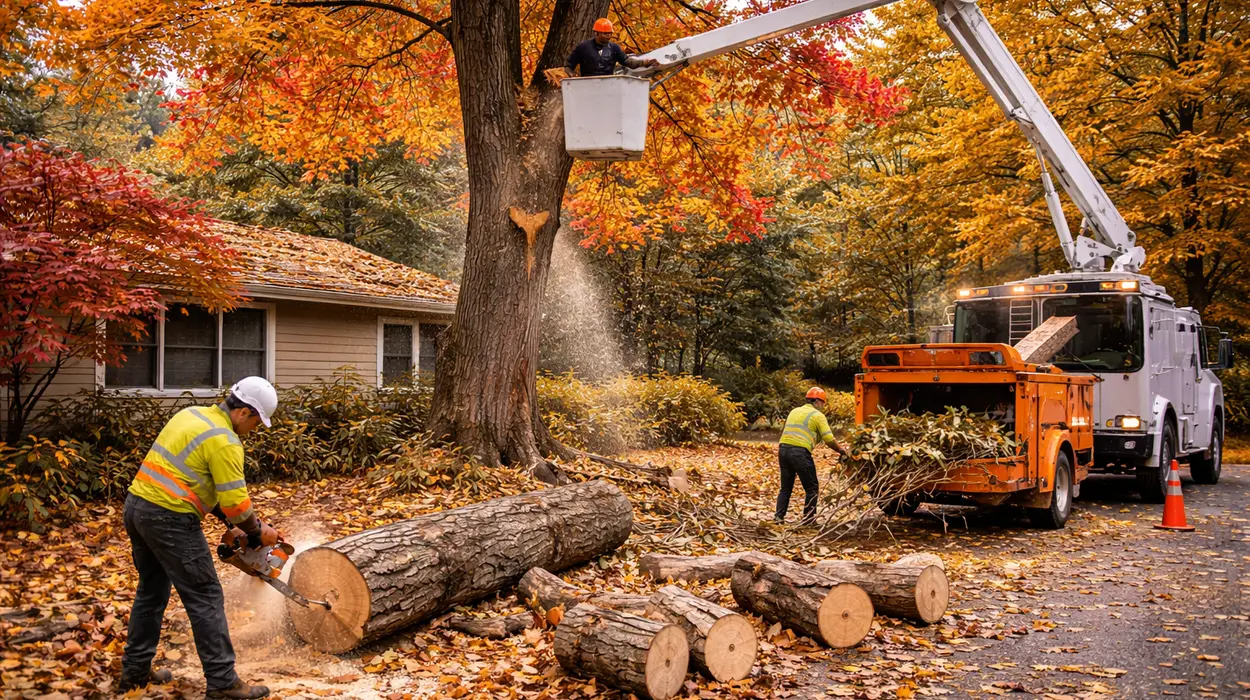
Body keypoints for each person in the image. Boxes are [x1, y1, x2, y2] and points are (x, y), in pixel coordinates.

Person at [119, 377, 280, 699]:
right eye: (256, 422)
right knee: (205, 596)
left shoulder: (190, 415)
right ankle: (222, 683)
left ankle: (134, 673)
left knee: (151, 592)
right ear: (245, 412)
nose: (255, 429)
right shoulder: (225, 442)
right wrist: (257, 531)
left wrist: (229, 522)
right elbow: (236, 505)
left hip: (137, 509)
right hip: (169, 520)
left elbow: (189, 479)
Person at [776, 387, 847, 524]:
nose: (823, 406)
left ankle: (778, 518)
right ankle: (808, 520)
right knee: (812, 487)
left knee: (785, 487)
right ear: (818, 402)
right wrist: (842, 451)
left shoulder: (794, 411)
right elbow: (829, 439)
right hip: (799, 453)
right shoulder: (818, 416)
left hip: (783, 450)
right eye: (823, 403)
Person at [564, 17, 660, 77]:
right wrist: (571, 75)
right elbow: (568, 65)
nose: (608, 36)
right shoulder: (583, 47)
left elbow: (629, 62)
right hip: (587, 84)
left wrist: (645, 62)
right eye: (605, 34)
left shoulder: (614, 48)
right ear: (596, 33)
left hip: (608, 84)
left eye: (610, 34)